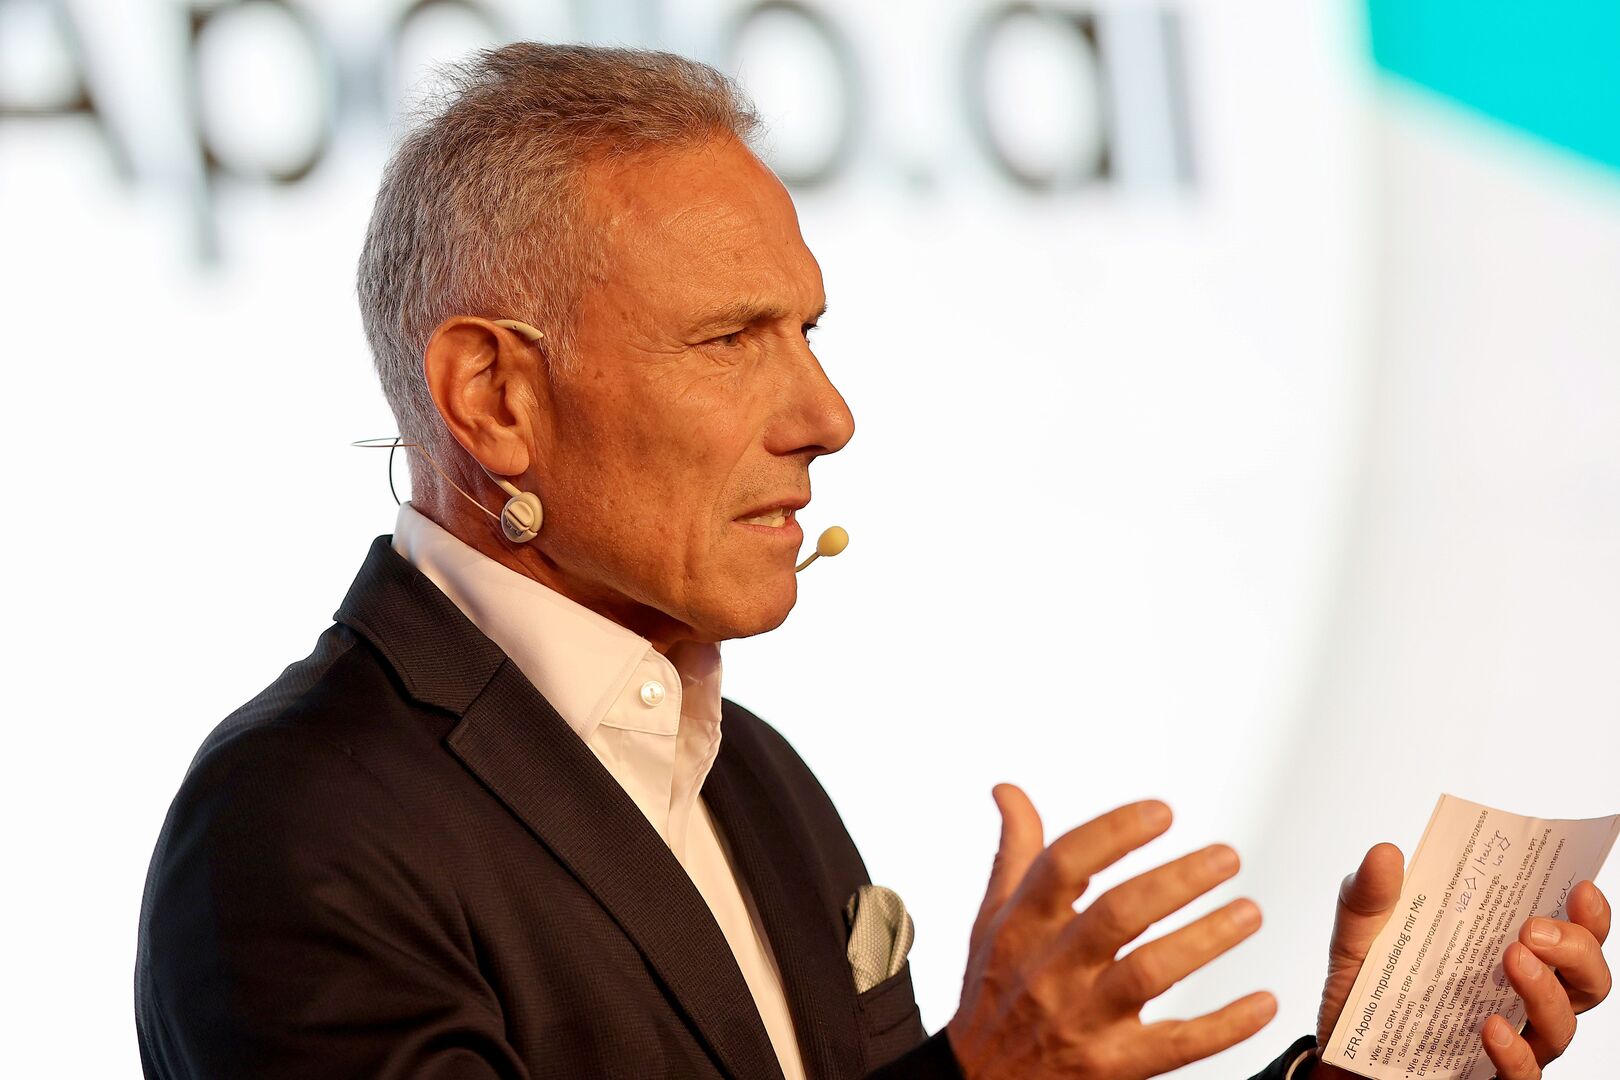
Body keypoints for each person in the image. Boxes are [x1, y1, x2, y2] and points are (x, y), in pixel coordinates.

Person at [134, 44, 1611, 1080]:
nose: (826, 417)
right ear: (495, 399)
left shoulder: (753, 782)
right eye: (731, 340)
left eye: (809, 333)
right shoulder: (296, 828)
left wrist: (1363, 1077)